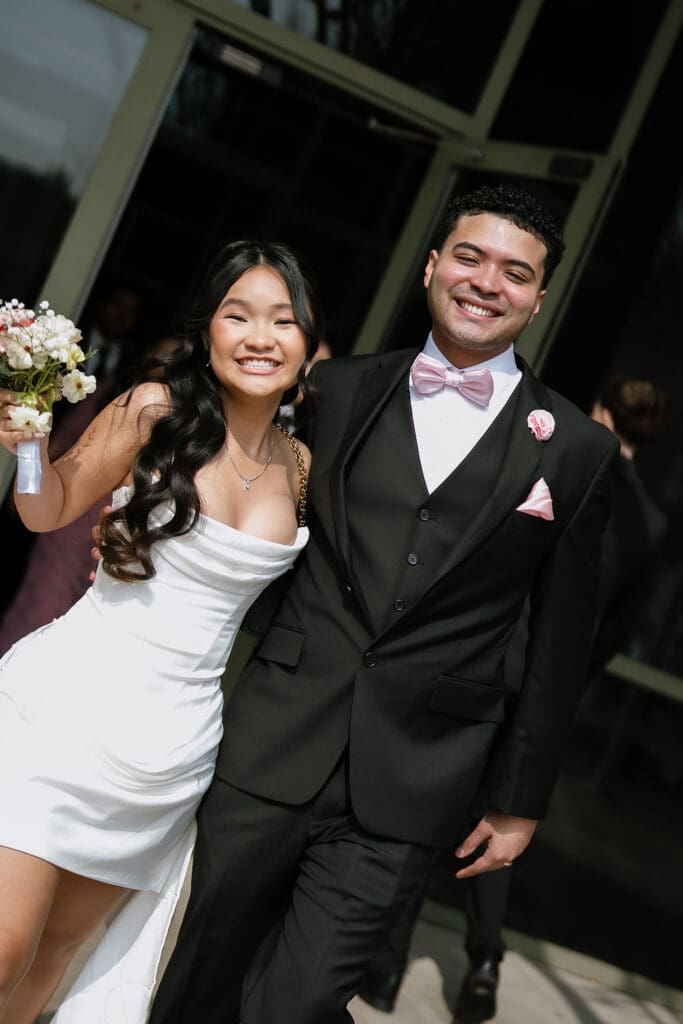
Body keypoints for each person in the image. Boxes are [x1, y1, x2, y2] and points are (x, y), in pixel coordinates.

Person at [146, 183, 620, 1024]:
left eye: (515, 272)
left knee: (295, 1004)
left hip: (417, 776)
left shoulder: (576, 450)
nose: (486, 282)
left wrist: (520, 799)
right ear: (432, 266)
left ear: (539, 299)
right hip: (273, 739)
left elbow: (561, 639)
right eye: (469, 257)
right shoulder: (336, 390)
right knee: (194, 975)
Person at [0, 240, 322, 1023]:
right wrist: (32, 449)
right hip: (63, 714)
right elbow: (46, 507)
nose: (259, 336)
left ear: (309, 344)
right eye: (236, 314)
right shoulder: (155, 410)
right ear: (206, 331)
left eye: (281, 320)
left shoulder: (302, 466)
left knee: (52, 963)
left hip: (171, 757)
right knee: (6, 944)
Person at [357, 372, 671, 1023]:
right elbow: (619, 623)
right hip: (549, 692)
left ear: (599, 408)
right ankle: (484, 961)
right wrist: (567, 683)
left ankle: (385, 973)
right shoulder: (653, 523)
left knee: (433, 812)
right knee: (499, 820)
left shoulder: (564, 466)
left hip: (494, 669)